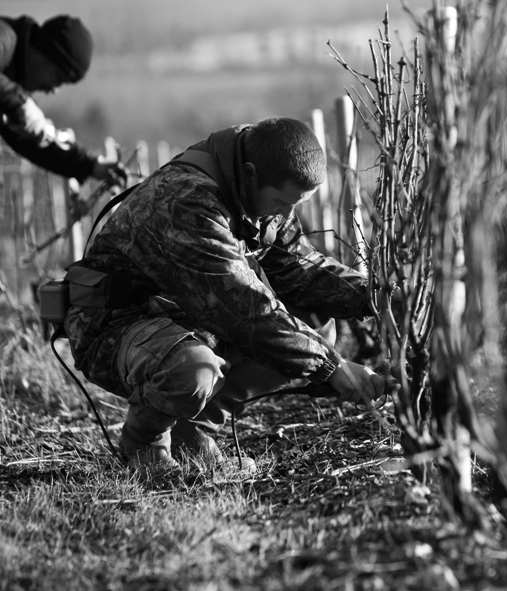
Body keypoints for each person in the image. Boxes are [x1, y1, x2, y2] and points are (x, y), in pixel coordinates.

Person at [62, 117, 385, 477]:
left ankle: (192, 431)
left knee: (315, 324)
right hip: (113, 325)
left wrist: (380, 299)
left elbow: (299, 269)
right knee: (193, 370)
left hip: (181, 315)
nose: (286, 215)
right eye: (281, 201)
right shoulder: (188, 199)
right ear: (249, 174)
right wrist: (332, 367)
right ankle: (144, 449)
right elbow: (247, 311)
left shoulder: (259, 184)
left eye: (295, 205)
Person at [0, 14, 126, 185]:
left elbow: (33, 142)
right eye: (58, 78)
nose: (54, 90)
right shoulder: (4, 36)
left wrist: (90, 165)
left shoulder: (11, 88)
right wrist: (18, 103)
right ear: (46, 51)